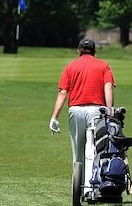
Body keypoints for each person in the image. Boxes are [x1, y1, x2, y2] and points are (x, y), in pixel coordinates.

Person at [49, 39, 116, 196]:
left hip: (75, 110)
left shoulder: (70, 66)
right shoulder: (103, 66)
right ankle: (90, 188)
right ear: (94, 51)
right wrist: (109, 110)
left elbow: (63, 93)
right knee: (92, 149)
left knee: (77, 149)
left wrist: (54, 117)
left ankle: (78, 188)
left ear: (79, 51)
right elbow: (108, 89)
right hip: (96, 111)